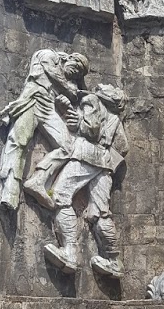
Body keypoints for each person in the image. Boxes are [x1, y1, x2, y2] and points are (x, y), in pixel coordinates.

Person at [33, 85, 128, 278]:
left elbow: (90, 129)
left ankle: (70, 253)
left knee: (60, 196)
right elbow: (123, 146)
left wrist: (76, 124)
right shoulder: (116, 118)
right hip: (105, 162)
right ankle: (113, 260)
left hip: (85, 155)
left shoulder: (91, 100)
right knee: (101, 212)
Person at [0, 49, 88, 210]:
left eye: (79, 73)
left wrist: (69, 94)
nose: (76, 72)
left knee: (68, 147)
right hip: (32, 99)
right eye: (77, 65)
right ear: (69, 58)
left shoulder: (67, 80)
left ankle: (38, 181)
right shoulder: (48, 55)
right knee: (18, 142)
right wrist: (70, 89)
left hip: (48, 107)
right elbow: (52, 72)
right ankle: (9, 194)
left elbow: (74, 95)